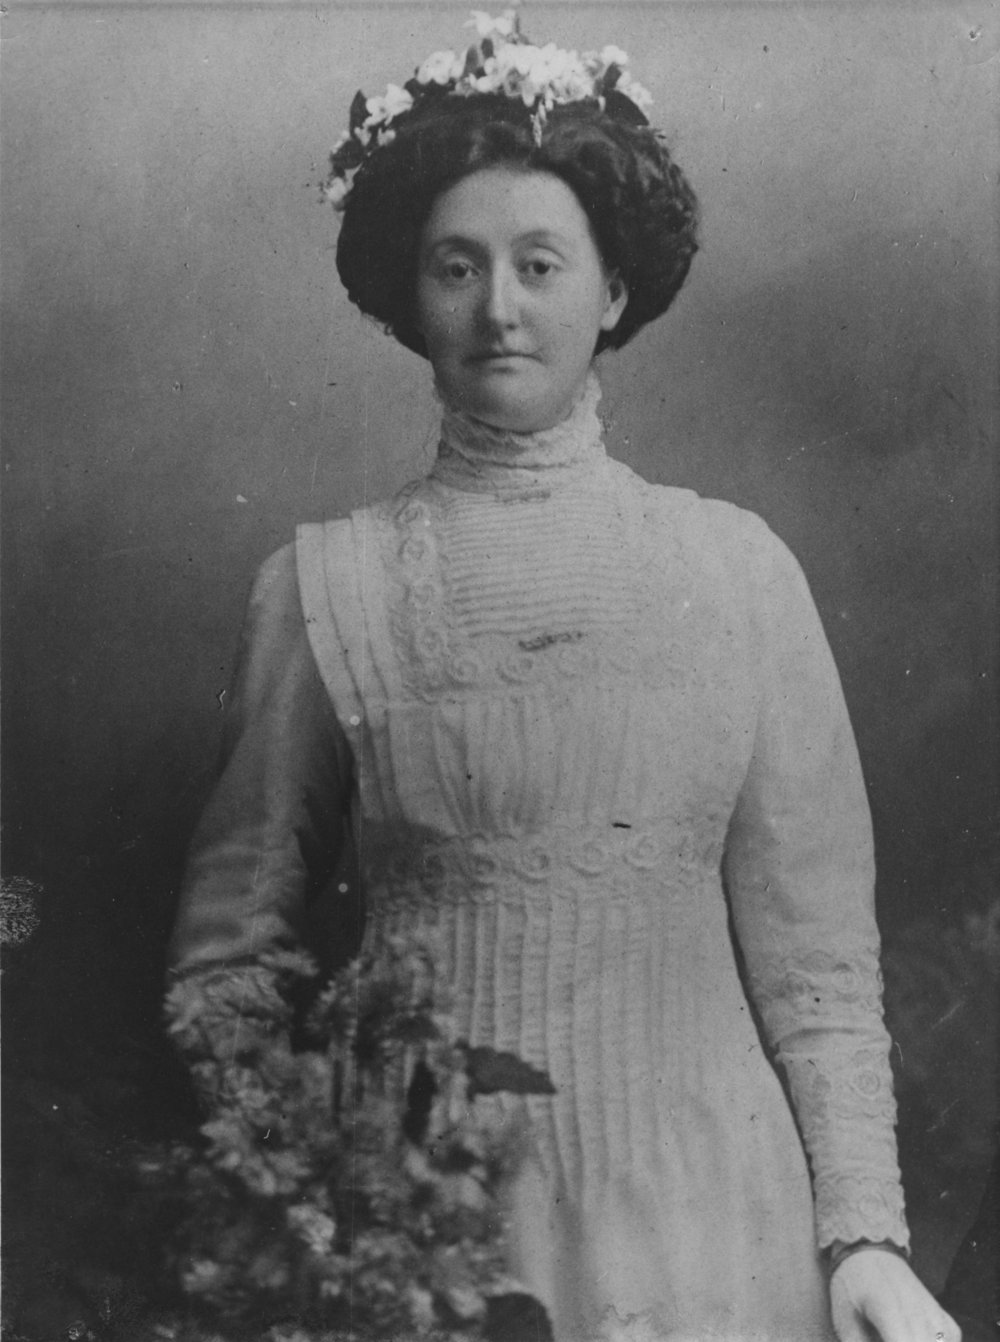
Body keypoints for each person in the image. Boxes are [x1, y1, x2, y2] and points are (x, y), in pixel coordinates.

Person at [167, 12, 962, 1341]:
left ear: (614, 291)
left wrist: (867, 1237)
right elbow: (226, 962)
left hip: (719, 1227)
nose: (499, 308)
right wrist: (303, 1182)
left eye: (541, 263)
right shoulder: (325, 588)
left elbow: (819, 965)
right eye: (456, 266)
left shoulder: (740, 571)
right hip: (435, 1240)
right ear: (404, 291)